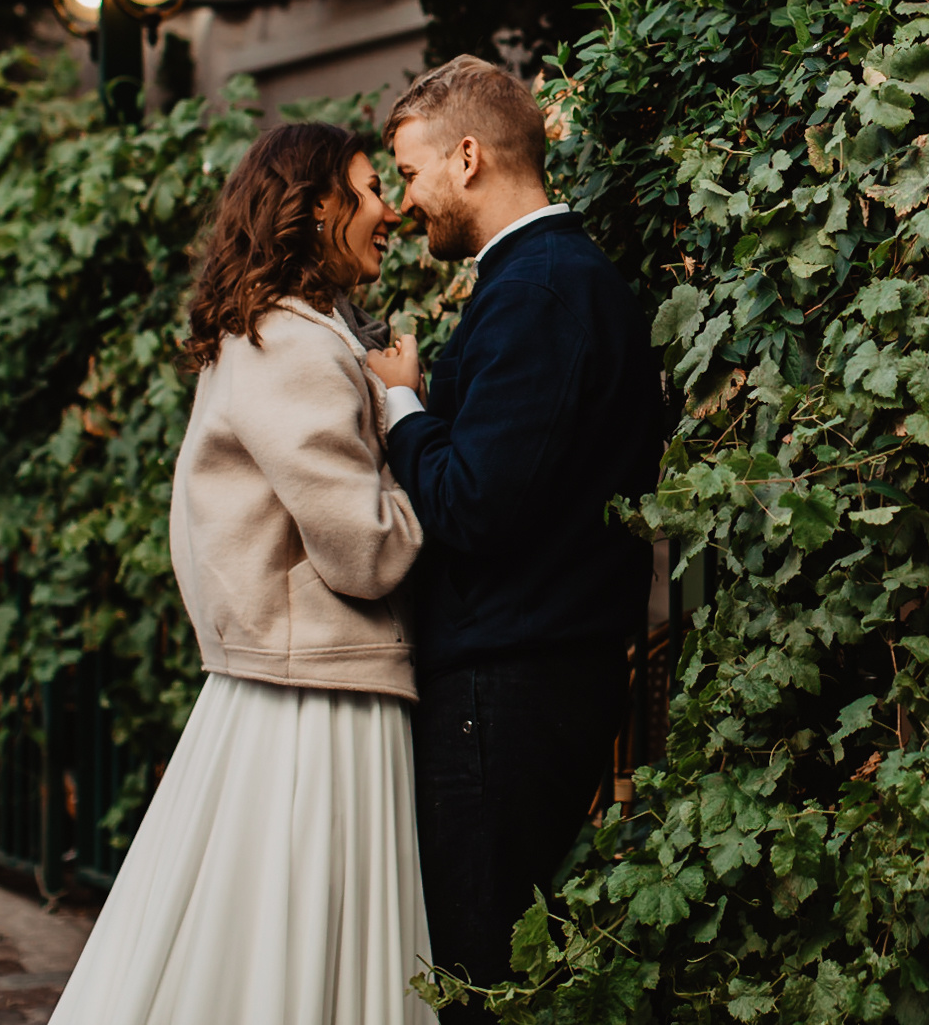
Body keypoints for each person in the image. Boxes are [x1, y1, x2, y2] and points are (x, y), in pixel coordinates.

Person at [49, 123, 434, 1025]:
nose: (391, 210)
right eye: (371, 189)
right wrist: (404, 411)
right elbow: (367, 550)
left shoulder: (263, 332)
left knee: (255, 936)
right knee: (303, 938)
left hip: (287, 679)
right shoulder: (297, 347)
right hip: (320, 695)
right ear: (315, 207)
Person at [363, 56, 663, 1019]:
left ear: (467, 155)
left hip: (510, 682)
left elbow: (471, 507)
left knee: (480, 966)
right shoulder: (543, 280)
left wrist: (404, 406)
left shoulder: (538, 291)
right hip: (526, 671)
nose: (406, 203)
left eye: (407, 174)